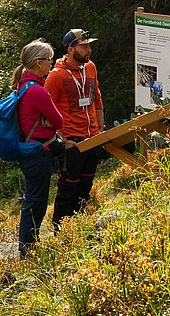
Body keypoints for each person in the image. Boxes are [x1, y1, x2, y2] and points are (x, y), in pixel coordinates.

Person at [44, 28, 105, 228]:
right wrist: (61, 140)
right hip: (72, 142)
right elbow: (45, 111)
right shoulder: (56, 76)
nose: (89, 50)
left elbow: (97, 99)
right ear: (70, 49)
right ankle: (59, 231)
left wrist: (101, 130)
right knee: (68, 189)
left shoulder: (91, 68)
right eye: (84, 46)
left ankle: (77, 229)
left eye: (89, 46)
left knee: (85, 187)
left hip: (93, 138)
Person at [11, 39, 65, 256]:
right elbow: (58, 120)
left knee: (32, 198)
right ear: (39, 63)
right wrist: (48, 122)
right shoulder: (38, 91)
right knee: (36, 201)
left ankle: (28, 244)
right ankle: (28, 248)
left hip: (29, 150)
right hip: (38, 153)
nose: (51, 64)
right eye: (49, 60)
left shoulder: (23, 85)